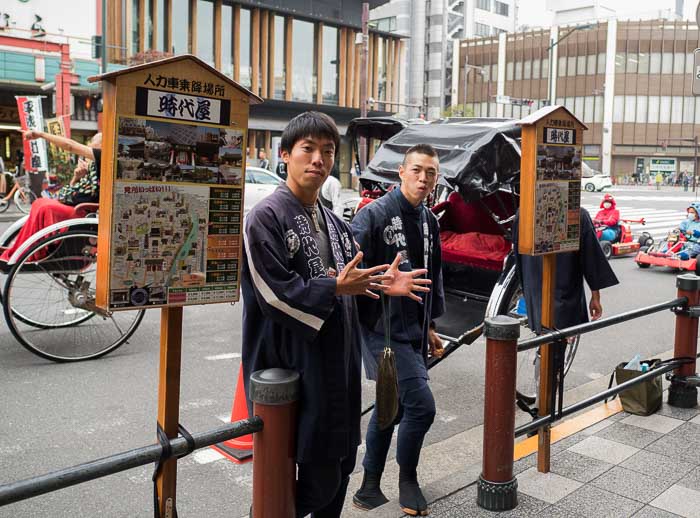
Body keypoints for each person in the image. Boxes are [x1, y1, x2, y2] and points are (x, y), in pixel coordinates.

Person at [241, 111, 431, 518]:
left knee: (341, 463)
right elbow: (272, 295)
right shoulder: (264, 218)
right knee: (300, 475)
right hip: (292, 363)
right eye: (307, 149)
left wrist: (384, 287)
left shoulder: (334, 221)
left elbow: (353, 288)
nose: (318, 160)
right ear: (285, 154)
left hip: (337, 362)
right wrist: (337, 287)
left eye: (327, 151)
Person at [351, 144, 445, 516]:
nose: (423, 179)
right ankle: (408, 479)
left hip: (414, 330)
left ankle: (368, 487)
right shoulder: (372, 216)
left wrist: (431, 325)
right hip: (381, 330)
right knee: (420, 407)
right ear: (401, 172)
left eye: (431, 173)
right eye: (417, 170)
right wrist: (381, 283)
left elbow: (432, 277)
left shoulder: (430, 221)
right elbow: (345, 274)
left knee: (390, 407)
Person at [513, 208, 619, 337]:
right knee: (558, 341)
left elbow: (518, 255)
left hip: (533, 286)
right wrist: (595, 296)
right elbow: (590, 257)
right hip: (564, 292)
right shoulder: (577, 213)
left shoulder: (525, 210)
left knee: (543, 335)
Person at [0, 131, 101, 262]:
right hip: (75, 203)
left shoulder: (103, 156)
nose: (89, 150)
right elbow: (73, 190)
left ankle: (33, 252)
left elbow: (69, 145)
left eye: (94, 146)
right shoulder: (92, 165)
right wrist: (77, 177)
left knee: (45, 207)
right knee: (40, 203)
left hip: (82, 210)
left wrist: (41, 135)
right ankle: (22, 249)